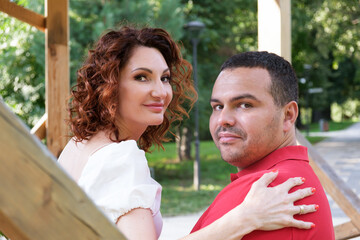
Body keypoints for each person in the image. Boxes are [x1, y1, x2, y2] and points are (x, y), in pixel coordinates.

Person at [58, 27, 318, 240]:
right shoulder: (121, 157)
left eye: (165, 78)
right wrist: (245, 217)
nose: (161, 91)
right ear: (109, 86)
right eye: (141, 77)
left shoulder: (80, 145)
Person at [190, 51, 335, 239]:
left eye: (245, 105)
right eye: (218, 106)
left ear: (288, 115)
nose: (223, 119)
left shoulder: (267, 190)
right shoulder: (291, 176)